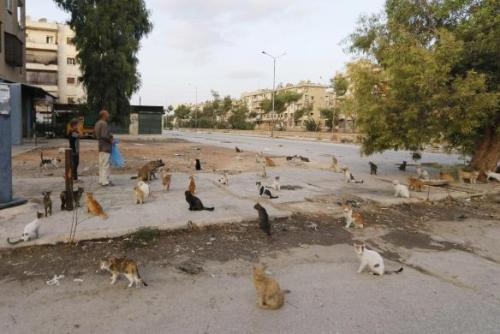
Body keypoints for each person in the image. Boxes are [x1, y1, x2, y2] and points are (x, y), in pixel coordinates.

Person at [94, 109, 114, 186]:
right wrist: (111, 140)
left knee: (101, 164)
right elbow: (104, 135)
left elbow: (97, 135)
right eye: (107, 114)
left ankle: (101, 180)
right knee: (105, 164)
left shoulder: (97, 123)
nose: (108, 115)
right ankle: (105, 181)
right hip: (106, 146)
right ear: (104, 115)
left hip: (100, 145)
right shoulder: (104, 123)